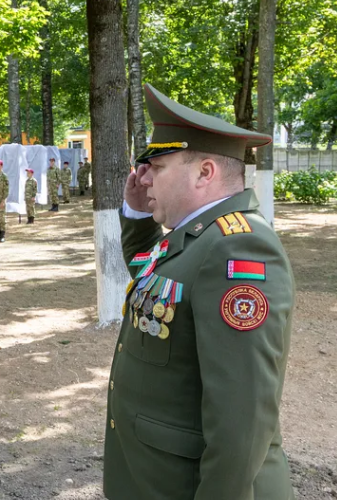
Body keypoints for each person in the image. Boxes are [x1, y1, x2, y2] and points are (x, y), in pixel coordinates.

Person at [104, 83, 295, 500]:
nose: (143, 177)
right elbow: (151, 276)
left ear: (204, 173)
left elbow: (241, 422)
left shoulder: (237, 247)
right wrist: (138, 212)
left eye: (157, 167)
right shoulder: (198, 237)